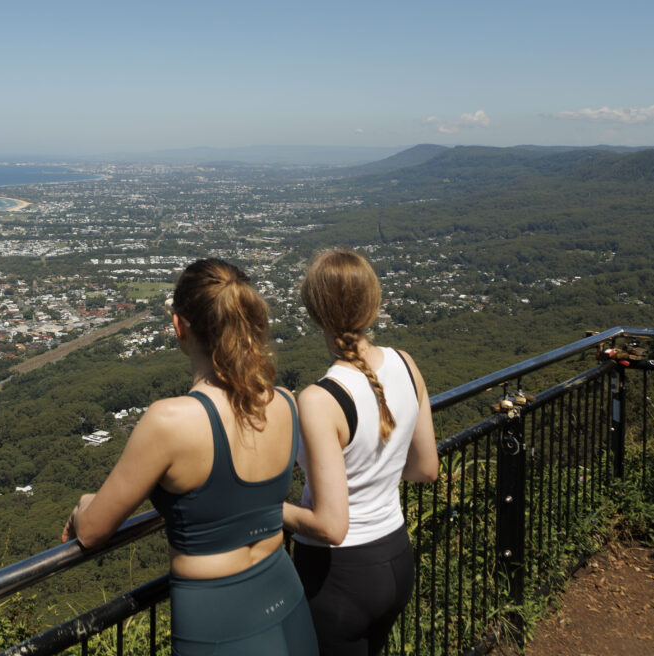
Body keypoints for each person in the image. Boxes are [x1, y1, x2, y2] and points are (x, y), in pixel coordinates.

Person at [62, 258, 316, 655]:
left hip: (216, 625)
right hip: (289, 602)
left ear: (179, 326)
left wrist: (82, 507)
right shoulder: (284, 402)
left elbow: (93, 531)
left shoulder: (169, 421)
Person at [283, 248, 438, 656]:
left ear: (314, 311)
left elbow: (331, 526)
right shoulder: (406, 364)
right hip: (396, 557)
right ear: (374, 302)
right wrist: (376, 469)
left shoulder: (320, 398)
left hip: (338, 579)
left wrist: (262, 510)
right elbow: (425, 469)